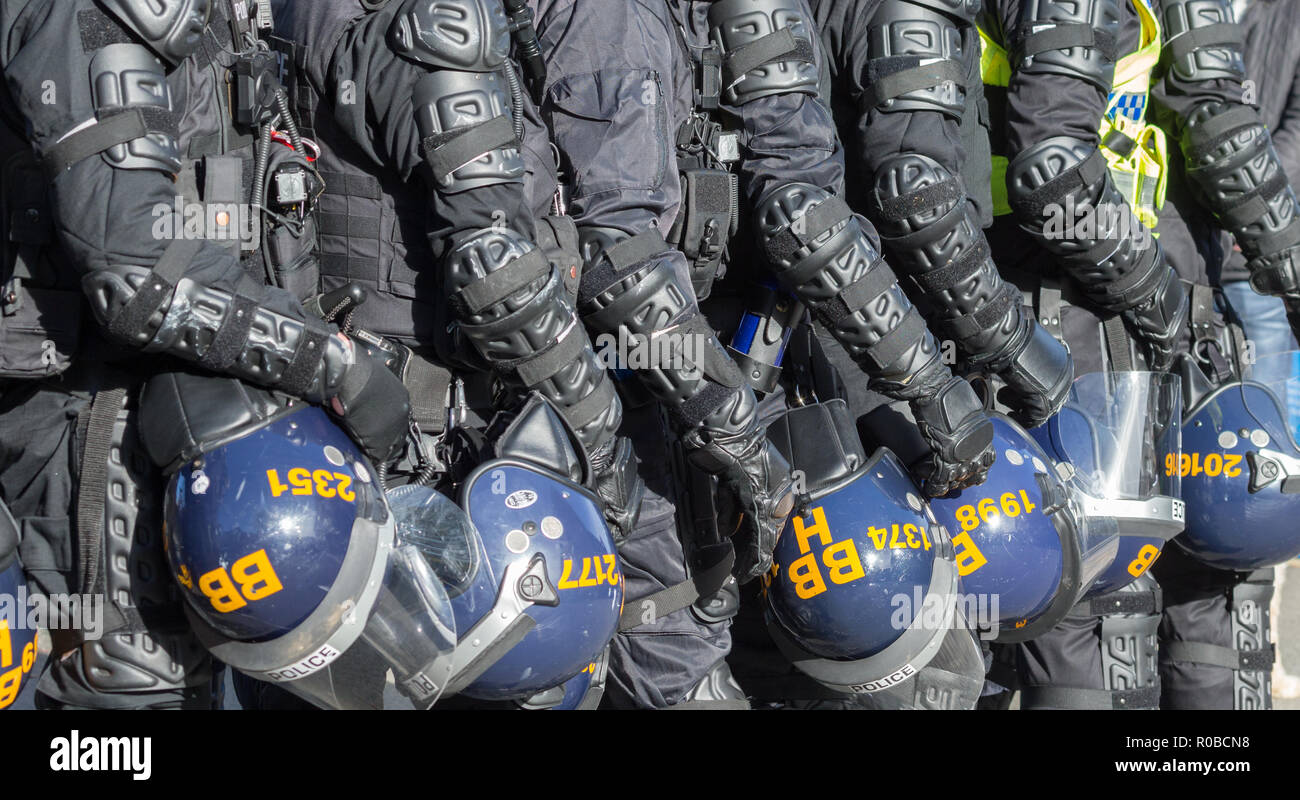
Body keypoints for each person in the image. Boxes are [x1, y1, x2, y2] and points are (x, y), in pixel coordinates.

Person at [533, 0, 1000, 708]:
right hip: (629, 379)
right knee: (685, 669)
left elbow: (803, 205)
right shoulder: (603, 19)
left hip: (763, 350)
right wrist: (734, 429)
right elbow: (619, 256)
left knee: (885, 640)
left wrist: (926, 379)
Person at [0, 0, 413, 709]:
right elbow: (137, 276)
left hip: (182, 400)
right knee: (128, 692)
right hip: (81, 413)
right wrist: (335, 366)